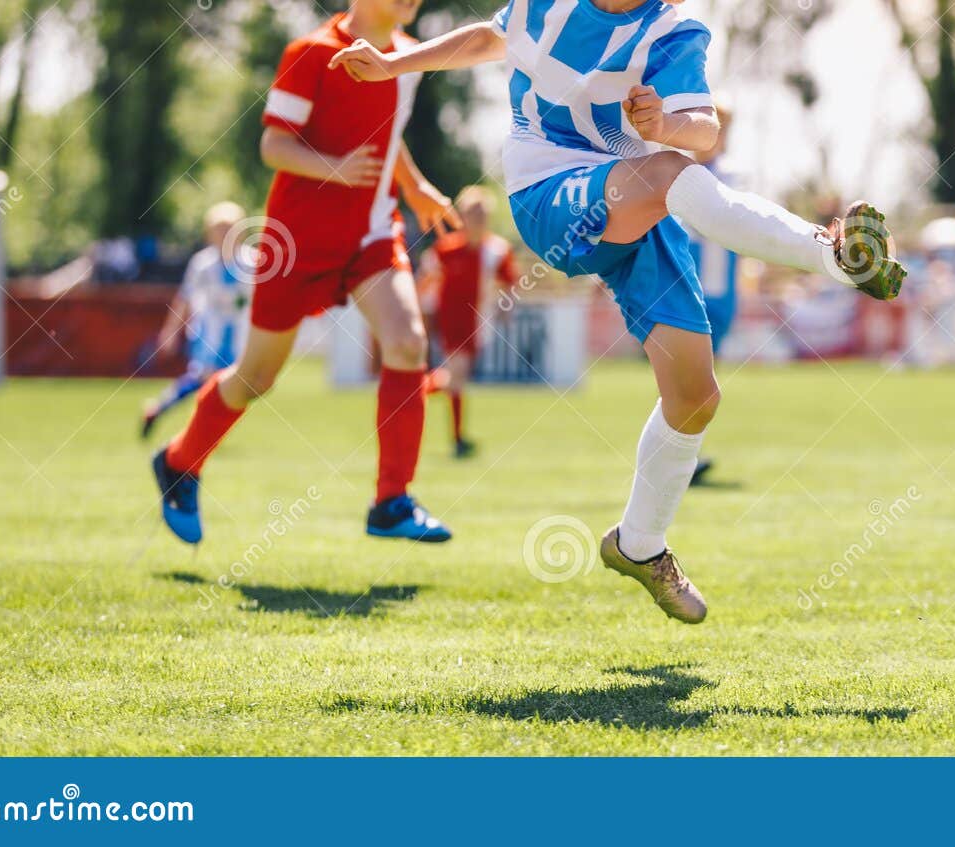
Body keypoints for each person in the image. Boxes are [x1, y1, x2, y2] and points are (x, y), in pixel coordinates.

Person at [330, 0, 906, 624]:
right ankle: (836, 258)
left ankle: (639, 546)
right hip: (550, 191)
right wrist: (395, 64)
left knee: (695, 396)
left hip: (641, 200)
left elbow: (703, 128)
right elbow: (489, 40)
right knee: (666, 173)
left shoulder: (672, 30)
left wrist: (665, 125)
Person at [150, 0, 463, 546]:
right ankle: (179, 461)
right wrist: (334, 168)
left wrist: (413, 188)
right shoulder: (312, 52)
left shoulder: (410, 58)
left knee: (408, 342)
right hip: (296, 244)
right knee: (255, 378)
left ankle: (391, 501)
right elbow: (273, 144)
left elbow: (390, 134)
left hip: (371, 234)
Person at [418, 185, 519, 458]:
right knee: (458, 374)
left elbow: (510, 282)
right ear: (462, 216)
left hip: (478, 323)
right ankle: (458, 439)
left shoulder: (497, 250)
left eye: (482, 214)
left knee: (456, 379)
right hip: (451, 321)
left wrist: (505, 308)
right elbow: (425, 280)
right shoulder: (445, 249)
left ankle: (416, 390)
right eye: (473, 213)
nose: (478, 219)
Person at [140, 202, 252, 440]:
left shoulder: (253, 262)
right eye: (219, 229)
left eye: (230, 228)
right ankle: (171, 417)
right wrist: (170, 333)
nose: (224, 235)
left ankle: (200, 429)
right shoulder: (203, 264)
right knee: (206, 380)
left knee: (233, 385)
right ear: (209, 233)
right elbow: (185, 299)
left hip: (241, 336)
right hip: (210, 334)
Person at [681, 102, 736, 486]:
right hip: (688, 285)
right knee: (689, 372)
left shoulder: (732, 177)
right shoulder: (679, 173)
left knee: (704, 374)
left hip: (720, 288)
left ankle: (685, 453)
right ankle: (683, 454)